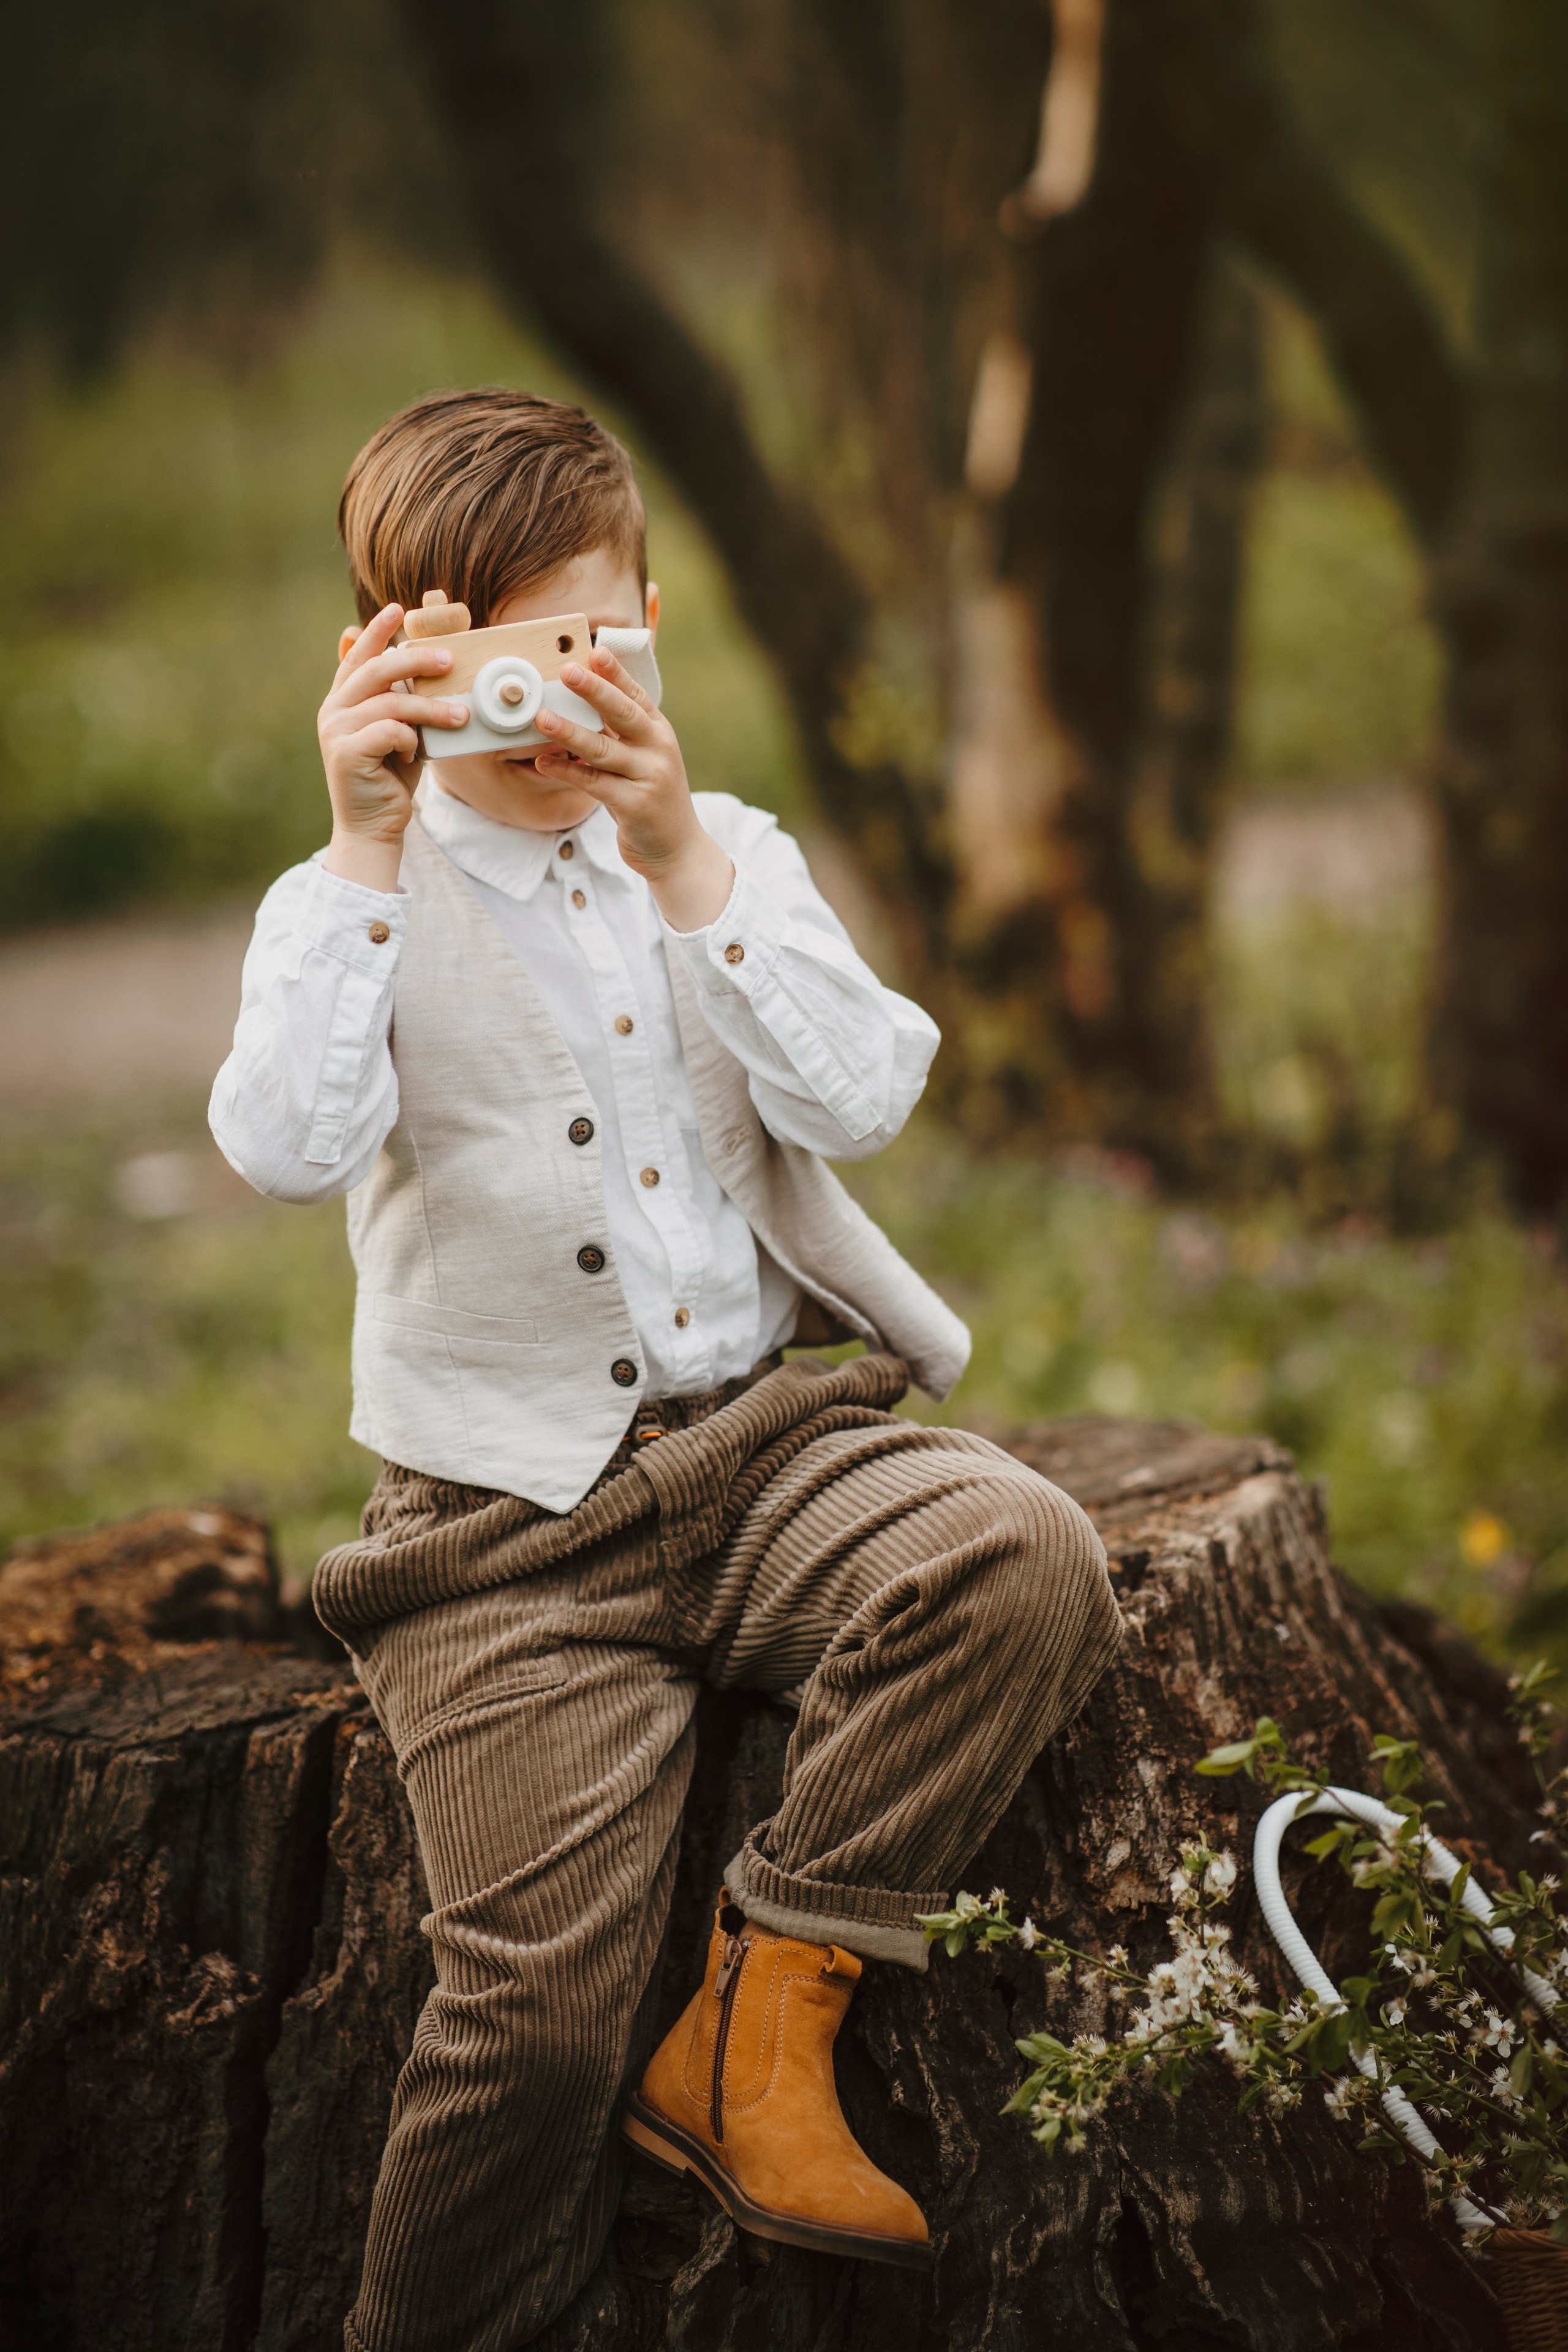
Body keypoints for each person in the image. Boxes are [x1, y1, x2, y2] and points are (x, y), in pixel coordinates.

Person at [210, 387, 1122, 2352]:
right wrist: (365, 850)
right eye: (492, 663)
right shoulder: (345, 907)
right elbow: (280, 1146)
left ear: (646, 637)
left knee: (1022, 1550)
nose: (547, 709)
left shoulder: (718, 857)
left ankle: (759, 2022)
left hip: (771, 1448)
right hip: (502, 1530)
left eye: (589, 646)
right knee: (528, 2009)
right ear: (396, 664)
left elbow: (870, 1097)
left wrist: (685, 853)